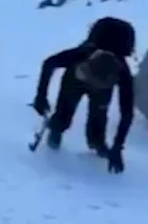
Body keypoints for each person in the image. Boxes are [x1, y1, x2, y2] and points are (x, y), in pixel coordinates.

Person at [31, 16, 136, 174]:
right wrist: (40, 96)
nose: (92, 86)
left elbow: (127, 113)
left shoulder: (122, 74)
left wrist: (117, 146)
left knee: (97, 116)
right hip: (76, 78)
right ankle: (58, 129)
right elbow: (48, 63)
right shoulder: (80, 55)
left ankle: (96, 142)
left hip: (79, 77)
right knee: (65, 110)